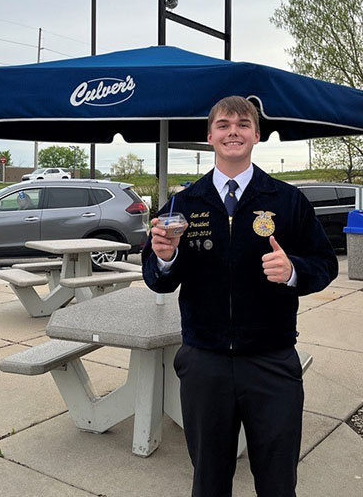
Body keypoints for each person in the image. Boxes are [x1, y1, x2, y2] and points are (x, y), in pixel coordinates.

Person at [142, 96, 338, 497]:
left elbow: (325, 263)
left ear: (257, 135)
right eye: (225, 124)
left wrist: (294, 272)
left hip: (272, 360)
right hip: (204, 363)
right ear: (209, 135)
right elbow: (159, 280)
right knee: (209, 480)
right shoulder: (183, 204)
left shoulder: (286, 201)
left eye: (243, 124)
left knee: (278, 481)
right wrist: (165, 257)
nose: (234, 131)